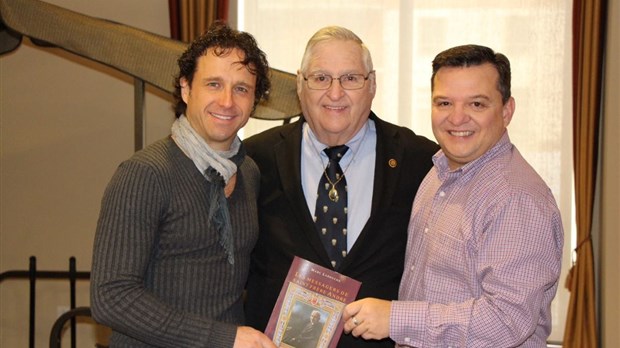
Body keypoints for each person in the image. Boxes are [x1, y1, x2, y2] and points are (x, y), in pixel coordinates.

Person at [342, 44, 564, 347]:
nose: (457, 119)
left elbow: (506, 320)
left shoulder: (516, 197)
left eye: (476, 104)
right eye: (444, 103)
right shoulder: (438, 172)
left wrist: (394, 319)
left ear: (507, 110)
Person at [243, 26, 438, 348]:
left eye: (350, 78)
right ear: (299, 84)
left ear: (372, 84)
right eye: (321, 78)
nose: (335, 94)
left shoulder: (419, 160)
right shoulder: (254, 159)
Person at [90, 22, 277, 348]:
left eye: (241, 89)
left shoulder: (248, 172)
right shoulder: (144, 174)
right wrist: (223, 337)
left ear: (254, 101)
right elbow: (111, 296)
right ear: (186, 88)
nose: (227, 101)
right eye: (214, 84)